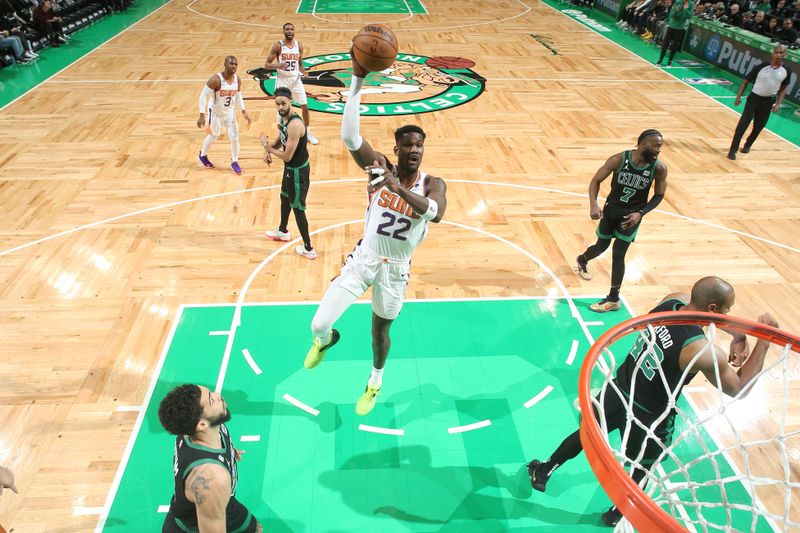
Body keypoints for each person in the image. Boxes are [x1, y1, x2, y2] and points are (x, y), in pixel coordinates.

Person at [525, 277, 778, 527]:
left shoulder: (672, 301)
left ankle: (545, 469)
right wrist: (763, 343)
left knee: (587, 434)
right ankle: (618, 511)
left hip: (621, 389)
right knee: (642, 468)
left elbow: (705, 315)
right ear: (713, 309)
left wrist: (739, 335)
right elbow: (739, 388)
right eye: (727, 309)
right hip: (650, 416)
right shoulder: (701, 351)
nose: (729, 315)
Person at [302, 55, 448, 416]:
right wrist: (356, 80)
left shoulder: (433, 183)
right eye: (408, 144)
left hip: (396, 269)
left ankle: (374, 382)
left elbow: (436, 212)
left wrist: (397, 189)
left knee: (379, 334)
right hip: (364, 258)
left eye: (420, 145)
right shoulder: (378, 168)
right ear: (396, 149)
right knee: (319, 322)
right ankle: (326, 341)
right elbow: (350, 136)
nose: (414, 149)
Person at [575, 130, 667, 313]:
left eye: (660, 146)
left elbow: (659, 195)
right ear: (642, 144)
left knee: (619, 254)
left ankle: (613, 298)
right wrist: (593, 205)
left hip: (631, 217)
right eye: (655, 145)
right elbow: (596, 180)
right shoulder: (619, 159)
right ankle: (582, 259)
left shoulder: (659, 168)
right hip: (611, 212)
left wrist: (640, 213)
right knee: (601, 247)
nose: (658, 150)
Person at [158, 384, 262, 533]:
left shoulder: (201, 427)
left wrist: (230, 452)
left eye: (211, 392)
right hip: (193, 526)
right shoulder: (212, 479)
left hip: (216, 506)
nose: (217, 395)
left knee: (254, 527)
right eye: (211, 400)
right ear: (201, 424)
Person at [260, 86, 317, 259]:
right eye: (277, 104)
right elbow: (280, 141)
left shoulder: (295, 125)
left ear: (291, 102)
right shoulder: (285, 119)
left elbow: (286, 155)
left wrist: (266, 147)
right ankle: (283, 230)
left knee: (298, 208)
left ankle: (308, 248)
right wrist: (269, 149)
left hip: (298, 173)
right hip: (290, 170)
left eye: (283, 103)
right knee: (284, 196)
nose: (280, 107)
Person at [727, 44, 791, 160]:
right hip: (754, 99)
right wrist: (738, 97)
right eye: (777, 52)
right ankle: (733, 149)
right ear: (773, 53)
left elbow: (784, 88)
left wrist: (778, 103)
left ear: (785, 55)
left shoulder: (787, 70)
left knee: (759, 127)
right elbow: (746, 81)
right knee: (743, 125)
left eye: (781, 53)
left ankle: (748, 145)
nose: (779, 55)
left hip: (768, 102)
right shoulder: (761, 67)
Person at [264, 23, 319, 145]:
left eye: (291, 29)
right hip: (282, 80)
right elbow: (267, 64)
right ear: (283, 31)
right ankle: (280, 135)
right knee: (281, 108)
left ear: (294, 31)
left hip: (295, 80)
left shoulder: (299, 45)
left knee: (304, 106)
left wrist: (304, 72)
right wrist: (277, 65)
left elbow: (299, 63)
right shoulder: (278, 45)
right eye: (287, 29)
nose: (289, 31)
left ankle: (308, 132)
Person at [197, 55, 252, 175]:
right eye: (231, 64)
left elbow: (238, 95)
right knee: (214, 135)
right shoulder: (216, 80)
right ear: (225, 65)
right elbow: (202, 95)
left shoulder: (237, 79)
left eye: (235, 64)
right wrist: (201, 114)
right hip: (216, 113)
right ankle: (203, 155)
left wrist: (243, 111)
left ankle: (234, 161)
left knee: (235, 137)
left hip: (230, 113)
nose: (234, 66)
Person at [656, 0, 694, 66]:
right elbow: (673, 15)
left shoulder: (691, 4)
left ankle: (669, 62)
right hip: (672, 26)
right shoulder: (678, 2)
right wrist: (680, 12)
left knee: (674, 46)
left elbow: (688, 16)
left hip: (680, 28)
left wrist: (684, 10)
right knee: (665, 44)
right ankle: (660, 60)